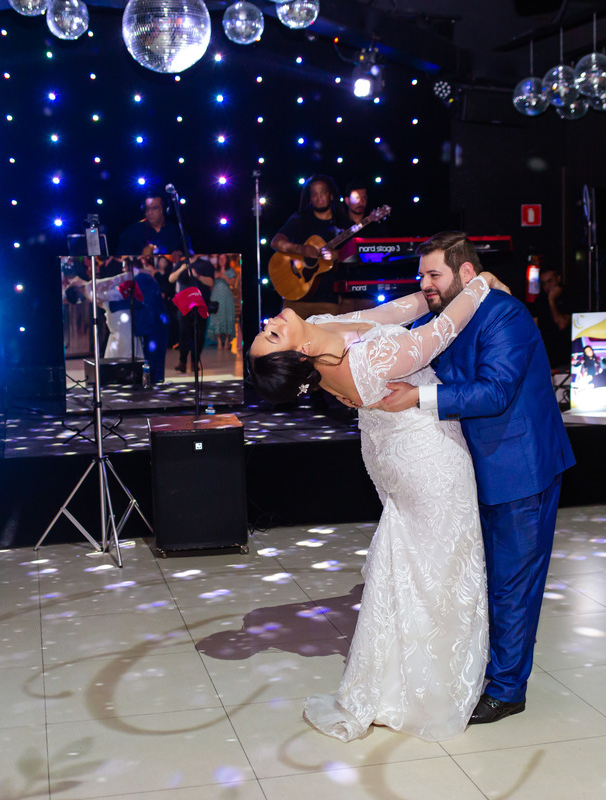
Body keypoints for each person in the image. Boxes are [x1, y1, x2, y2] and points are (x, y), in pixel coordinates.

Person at [247, 267, 503, 742]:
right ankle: (431, 690)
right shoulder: (367, 360)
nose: (270, 323)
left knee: (408, 565)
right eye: (272, 335)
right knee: (443, 569)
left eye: (265, 331)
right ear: (298, 354)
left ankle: (390, 683)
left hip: (391, 455)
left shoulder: (318, 331)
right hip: (427, 459)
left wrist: (430, 292)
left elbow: (388, 313)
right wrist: (479, 285)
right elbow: (437, 335)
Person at [367, 232, 576, 726]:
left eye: (433, 274)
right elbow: (407, 346)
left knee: (512, 584)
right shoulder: (445, 315)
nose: (425, 284)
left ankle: (507, 689)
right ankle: (490, 669)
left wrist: (416, 398)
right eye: (421, 275)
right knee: (484, 580)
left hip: (520, 469)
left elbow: (495, 392)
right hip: (474, 468)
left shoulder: (505, 314)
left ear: (465, 273)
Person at [269, 174, 354, 319]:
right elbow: (275, 242)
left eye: (323, 193)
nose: (318, 197)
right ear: (309, 198)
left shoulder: (342, 224)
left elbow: (356, 256)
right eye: (314, 194)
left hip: (328, 300)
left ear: (331, 195)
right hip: (295, 298)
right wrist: (300, 249)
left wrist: (337, 255)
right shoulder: (299, 219)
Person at [170, 253, 214, 374]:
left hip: (200, 302)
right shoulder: (181, 263)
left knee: (199, 333)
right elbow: (171, 279)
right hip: (184, 303)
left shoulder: (205, 264)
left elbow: (211, 282)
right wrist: (181, 269)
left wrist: (197, 275)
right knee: (183, 333)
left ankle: (195, 361)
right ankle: (182, 362)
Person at [529, 267, 572, 372]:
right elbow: (533, 330)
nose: (547, 286)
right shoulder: (540, 301)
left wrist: (551, 300)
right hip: (546, 362)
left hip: (566, 361)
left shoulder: (569, 297)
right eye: (544, 283)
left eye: (549, 281)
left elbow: (562, 324)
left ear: (558, 278)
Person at [117, 193, 187, 257]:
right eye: (147, 208)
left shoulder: (177, 232)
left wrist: (181, 257)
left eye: (154, 208)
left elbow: (190, 255)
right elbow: (121, 257)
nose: (149, 212)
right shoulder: (131, 232)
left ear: (165, 209)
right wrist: (141, 256)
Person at [205, 254, 237, 352]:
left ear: (226, 260)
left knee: (227, 316)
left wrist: (224, 277)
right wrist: (215, 277)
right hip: (216, 296)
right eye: (220, 258)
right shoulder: (214, 270)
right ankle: (219, 341)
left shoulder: (230, 270)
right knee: (216, 317)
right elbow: (210, 284)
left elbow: (232, 283)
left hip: (227, 297)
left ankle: (227, 341)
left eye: (223, 258)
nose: (222, 260)